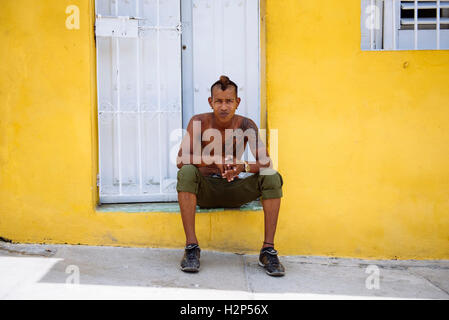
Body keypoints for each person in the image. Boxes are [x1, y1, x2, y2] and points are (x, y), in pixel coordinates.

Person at [176, 75, 285, 277]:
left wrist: (242, 166)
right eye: (219, 101)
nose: (224, 107)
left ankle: (268, 250)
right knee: (186, 172)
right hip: (206, 191)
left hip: (236, 189)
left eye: (229, 101)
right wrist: (214, 159)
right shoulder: (199, 121)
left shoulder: (245, 125)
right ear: (211, 102)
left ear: (237, 102)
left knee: (271, 175)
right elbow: (181, 159)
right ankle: (192, 248)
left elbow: (267, 162)